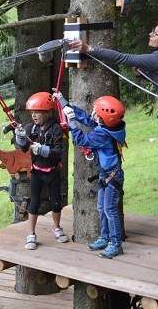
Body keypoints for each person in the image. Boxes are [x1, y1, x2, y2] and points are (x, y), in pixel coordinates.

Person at [70, 21, 158, 245]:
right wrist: (143, 75)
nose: (151, 34)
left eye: (156, 33)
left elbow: (124, 58)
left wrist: (89, 49)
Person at [56, 92, 127, 258]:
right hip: (106, 174)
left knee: (110, 209)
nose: (93, 114)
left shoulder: (103, 134)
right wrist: (64, 103)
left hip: (112, 176)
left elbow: (83, 140)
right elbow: (88, 119)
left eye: (96, 112)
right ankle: (104, 237)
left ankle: (116, 244)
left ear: (103, 118)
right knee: (102, 208)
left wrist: (72, 122)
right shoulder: (109, 127)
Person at [14, 92, 69, 250]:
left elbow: (58, 152)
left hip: (52, 172)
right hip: (37, 172)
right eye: (32, 113)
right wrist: (20, 137)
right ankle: (31, 234)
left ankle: (57, 227)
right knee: (34, 202)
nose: (34, 116)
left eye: (37, 112)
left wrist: (42, 150)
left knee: (56, 202)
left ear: (47, 112)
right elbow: (24, 148)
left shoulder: (56, 130)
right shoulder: (31, 128)